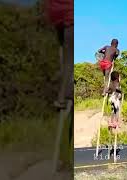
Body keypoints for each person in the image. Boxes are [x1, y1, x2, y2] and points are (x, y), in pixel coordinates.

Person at [45, 0, 73, 172]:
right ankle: (66, 94)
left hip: (60, 19)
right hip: (72, 20)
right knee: (70, 64)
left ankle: (63, 94)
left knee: (66, 63)